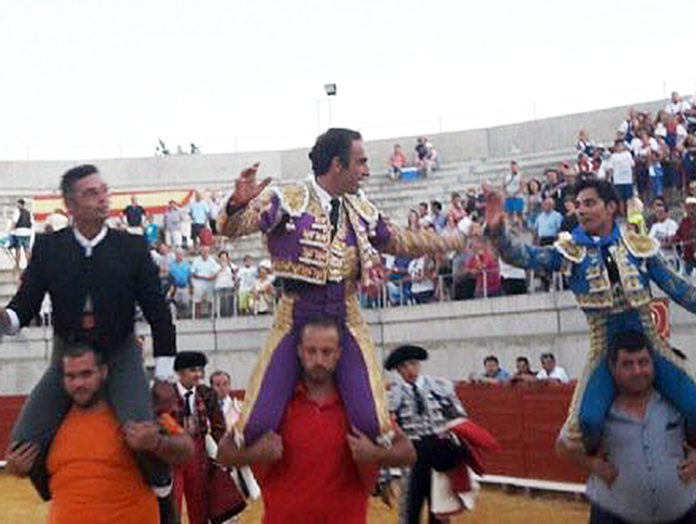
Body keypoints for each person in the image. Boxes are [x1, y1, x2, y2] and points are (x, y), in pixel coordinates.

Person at [216, 128, 467, 447]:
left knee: (374, 425)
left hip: (346, 315)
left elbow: (401, 240)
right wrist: (237, 203)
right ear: (338, 164)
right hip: (295, 315)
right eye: (360, 162)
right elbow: (233, 228)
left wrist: (453, 239)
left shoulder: (360, 209)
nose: (366, 170)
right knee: (255, 425)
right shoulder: (288, 199)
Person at [1, 164, 177, 499]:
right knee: (23, 445)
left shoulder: (132, 248)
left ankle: (162, 496)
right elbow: (25, 305)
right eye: (91, 193)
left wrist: (165, 374)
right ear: (71, 205)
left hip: (119, 353)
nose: (102, 199)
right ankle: (63, 490)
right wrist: (5, 318)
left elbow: (159, 314)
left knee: (144, 438)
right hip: (67, 357)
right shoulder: (49, 247)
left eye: (103, 191)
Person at [485, 177, 696, 452]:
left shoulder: (637, 245)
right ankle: (603, 467)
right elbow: (526, 256)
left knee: (693, 404)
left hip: (649, 343)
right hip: (604, 349)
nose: (581, 210)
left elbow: (677, 287)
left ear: (611, 207)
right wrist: (498, 231)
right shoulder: (570, 251)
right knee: (587, 421)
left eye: (589, 203)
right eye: (578, 205)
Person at [217, 317, 416, 523]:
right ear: (299, 352)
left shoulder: (358, 407)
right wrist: (257, 452)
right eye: (311, 351)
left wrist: (374, 453)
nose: (319, 360)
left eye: (326, 352)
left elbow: (408, 452)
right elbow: (223, 453)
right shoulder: (275, 405)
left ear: (338, 353)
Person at [5, 344, 193, 524]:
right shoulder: (50, 422)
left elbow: (187, 449)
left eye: (86, 374)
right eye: (70, 376)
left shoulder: (131, 411)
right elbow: (33, 473)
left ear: (103, 372)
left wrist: (157, 443)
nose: (78, 383)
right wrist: (17, 468)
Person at [557, 331, 696, 523]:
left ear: (653, 363)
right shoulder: (599, 405)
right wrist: (593, 464)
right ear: (613, 368)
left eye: (643, 362)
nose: (638, 371)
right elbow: (562, 446)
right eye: (627, 364)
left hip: (683, 517)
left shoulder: (675, 400)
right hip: (613, 517)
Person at [386, 344, 468, 524]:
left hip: (438, 451)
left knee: (439, 505)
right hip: (411, 454)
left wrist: (452, 441)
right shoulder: (393, 396)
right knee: (410, 507)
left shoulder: (440, 387)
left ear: (419, 364)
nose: (410, 370)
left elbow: (460, 417)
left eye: (413, 364)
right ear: (398, 370)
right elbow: (387, 432)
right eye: (403, 367)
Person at [171, 351, 226, 524]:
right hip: (173, 453)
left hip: (198, 451)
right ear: (180, 372)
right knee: (173, 504)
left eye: (200, 370)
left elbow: (218, 426)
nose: (198, 375)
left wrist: (221, 453)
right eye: (193, 370)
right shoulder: (167, 394)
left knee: (199, 504)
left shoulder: (206, 393)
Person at [649, 197, 680, 271]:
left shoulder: (671, 224)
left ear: (667, 212)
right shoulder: (654, 226)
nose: (659, 213)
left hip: (669, 259)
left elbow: (670, 242)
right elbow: (649, 242)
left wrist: (656, 246)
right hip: (656, 259)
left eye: (661, 212)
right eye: (657, 212)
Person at [190, 245, 221, 317]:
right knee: (197, 297)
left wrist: (213, 276)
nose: (205, 253)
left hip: (209, 281)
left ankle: (211, 314)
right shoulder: (196, 260)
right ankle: (197, 315)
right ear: (201, 252)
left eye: (206, 252)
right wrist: (203, 277)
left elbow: (219, 270)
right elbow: (192, 273)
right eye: (203, 251)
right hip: (199, 281)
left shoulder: (211, 260)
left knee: (210, 297)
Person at [9, 198, 33, 269]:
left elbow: (14, 222)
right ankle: (29, 264)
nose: (17, 205)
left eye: (17, 204)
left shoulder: (17, 211)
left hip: (19, 233)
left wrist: (10, 231)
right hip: (27, 233)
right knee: (27, 249)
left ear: (20, 204)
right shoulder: (29, 213)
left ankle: (17, 265)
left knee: (18, 249)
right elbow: (31, 223)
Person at [676, 197, 696, 276]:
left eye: (693, 207)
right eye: (688, 207)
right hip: (688, 257)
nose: (691, 210)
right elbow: (678, 235)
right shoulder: (683, 221)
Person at [503, 161, 524, 227]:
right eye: (512, 167)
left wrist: (516, 193)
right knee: (509, 213)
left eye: (514, 166)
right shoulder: (507, 175)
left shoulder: (520, 175)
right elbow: (503, 186)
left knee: (519, 213)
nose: (513, 168)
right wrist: (507, 194)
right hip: (509, 196)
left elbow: (522, 185)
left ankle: (520, 227)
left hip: (517, 196)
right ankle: (511, 226)